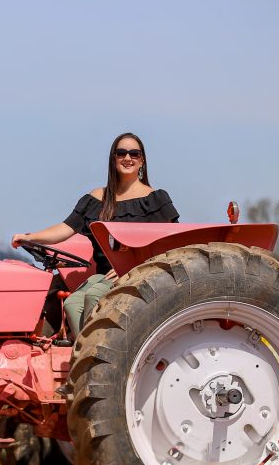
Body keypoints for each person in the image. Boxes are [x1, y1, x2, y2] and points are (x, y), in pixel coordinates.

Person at [12, 133, 180, 337]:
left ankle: (99, 353)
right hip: (104, 275)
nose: (127, 158)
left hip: (137, 274)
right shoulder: (97, 198)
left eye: (134, 153)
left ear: (142, 160)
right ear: (113, 158)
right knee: (72, 303)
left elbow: (172, 243)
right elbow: (66, 228)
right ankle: (84, 351)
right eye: (121, 153)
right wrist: (30, 237)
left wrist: (130, 269)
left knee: (94, 297)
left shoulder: (154, 199)